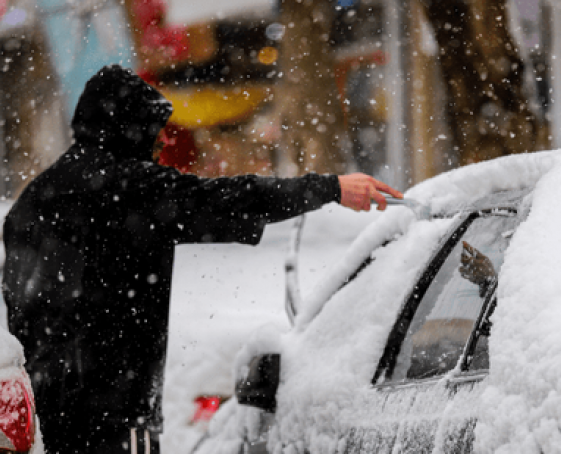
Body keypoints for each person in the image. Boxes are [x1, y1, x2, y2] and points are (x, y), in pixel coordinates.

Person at [1, 65, 402, 454]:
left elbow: (22, 311)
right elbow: (228, 200)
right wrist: (330, 188)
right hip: (113, 415)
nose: (161, 144)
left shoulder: (33, 201)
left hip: (44, 413)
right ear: (126, 128)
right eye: (154, 133)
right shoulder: (128, 187)